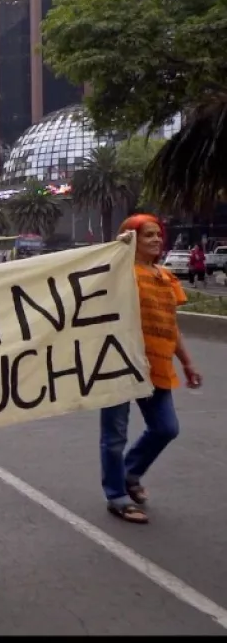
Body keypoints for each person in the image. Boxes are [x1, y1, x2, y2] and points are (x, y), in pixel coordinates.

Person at [100, 214, 202, 524]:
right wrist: (116, 251)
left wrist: (186, 362)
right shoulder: (119, 274)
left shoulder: (166, 277)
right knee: (114, 437)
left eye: (158, 234)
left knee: (166, 428)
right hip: (119, 364)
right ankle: (117, 496)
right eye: (147, 235)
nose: (156, 239)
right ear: (131, 239)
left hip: (156, 365)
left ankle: (130, 472)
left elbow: (170, 325)